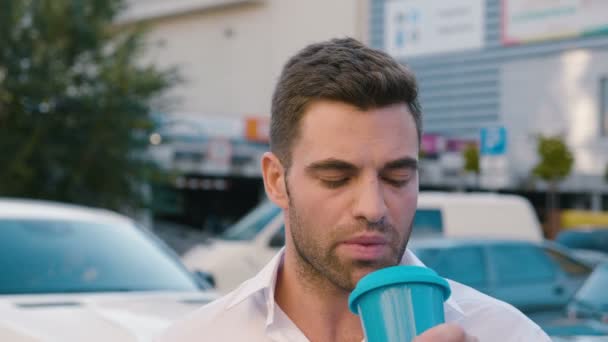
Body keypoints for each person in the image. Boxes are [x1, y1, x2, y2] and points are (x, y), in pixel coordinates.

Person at [158, 38, 550, 342]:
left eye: (397, 177)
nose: (373, 207)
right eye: (336, 178)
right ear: (277, 181)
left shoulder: (506, 333)